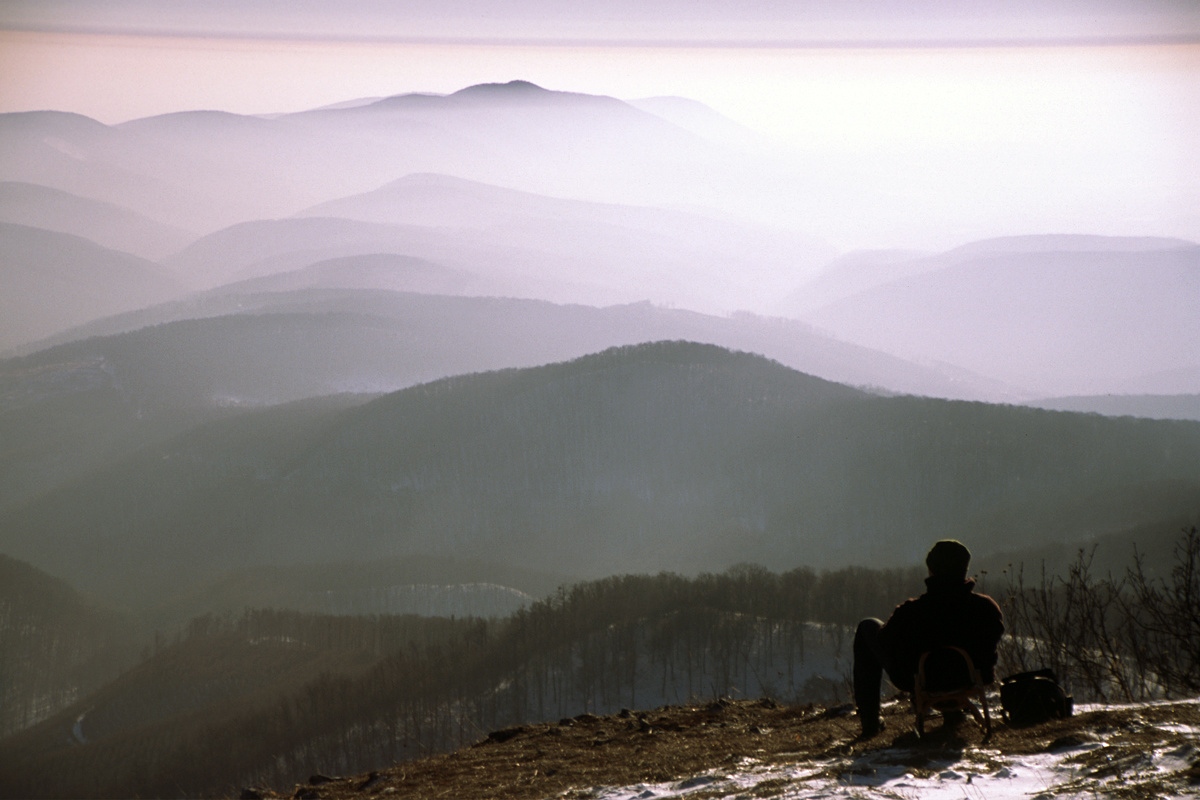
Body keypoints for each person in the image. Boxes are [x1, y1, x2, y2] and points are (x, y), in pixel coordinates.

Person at [853, 539, 1004, 737]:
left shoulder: (911, 612)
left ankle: (870, 723)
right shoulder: (986, 607)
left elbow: (885, 641)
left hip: (921, 681)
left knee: (868, 627)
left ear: (931, 570)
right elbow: (992, 641)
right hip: (972, 678)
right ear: (964, 569)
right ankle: (955, 712)